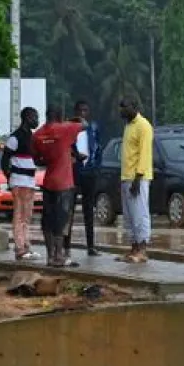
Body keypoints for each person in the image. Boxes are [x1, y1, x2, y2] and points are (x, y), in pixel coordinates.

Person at [33, 107, 83, 268]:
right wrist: (72, 118)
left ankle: (49, 256)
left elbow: (38, 161)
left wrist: (52, 158)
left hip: (48, 182)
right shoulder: (65, 129)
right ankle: (59, 256)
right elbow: (85, 124)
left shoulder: (38, 134)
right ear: (60, 117)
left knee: (47, 220)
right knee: (61, 221)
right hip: (64, 183)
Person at [1, 108, 41, 260]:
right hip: (19, 181)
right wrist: (9, 177)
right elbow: (5, 159)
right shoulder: (15, 138)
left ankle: (26, 246)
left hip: (29, 182)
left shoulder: (32, 137)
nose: (36, 121)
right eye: (34, 117)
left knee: (27, 215)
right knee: (19, 215)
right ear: (27, 118)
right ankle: (19, 248)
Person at [118, 97, 153, 263]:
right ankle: (133, 249)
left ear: (134, 107)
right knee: (129, 216)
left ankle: (143, 249)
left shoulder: (144, 125)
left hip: (138, 178)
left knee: (140, 214)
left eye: (124, 107)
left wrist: (137, 179)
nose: (122, 110)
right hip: (126, 176)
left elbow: (145, 154)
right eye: (121, 108)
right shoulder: (127, 125)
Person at [67, 99, 102, 257]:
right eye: (80, 110)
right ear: (75, 112)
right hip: (73, 172)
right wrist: (74, 155)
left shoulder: (92, 127)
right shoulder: (68, 128)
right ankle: (66, 245)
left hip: (89, 171)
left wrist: (96, 167)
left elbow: (98, 147)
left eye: (85, 110)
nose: (82, 114)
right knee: (69, 210)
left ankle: (91, 246)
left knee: (89, 209)